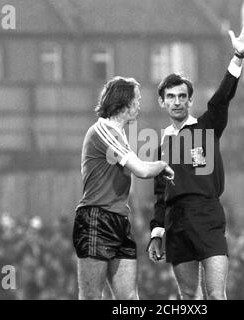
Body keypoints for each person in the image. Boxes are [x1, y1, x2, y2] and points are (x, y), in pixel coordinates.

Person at [147, 24, 244, 300]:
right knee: (187, 296)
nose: (177, 102)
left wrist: (238, 57)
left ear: (190, 100)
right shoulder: (162, 146)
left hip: (207, 215)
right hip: (176, 222)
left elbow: (221, 100)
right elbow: (160, 195)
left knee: (216, 295)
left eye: (182, 96)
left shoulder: (206, 128)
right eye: (170, 97)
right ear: (162, 102)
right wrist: (157, 233)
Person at [73, 76, 174, 300]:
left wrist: (159, 166)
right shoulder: (102, 131)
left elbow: (141, 166)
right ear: (124, 103)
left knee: (129, 298)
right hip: (96, 219)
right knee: (91, 296)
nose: (139, 104)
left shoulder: (119, 134)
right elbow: (141, 169)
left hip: (119, 220)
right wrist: (164, 165)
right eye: (137, 100)